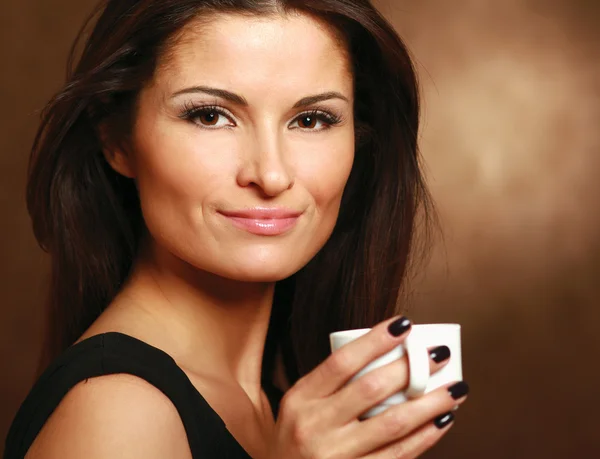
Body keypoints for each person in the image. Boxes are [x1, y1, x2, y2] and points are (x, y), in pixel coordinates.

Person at [4, 0, 470, 457]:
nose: (270, 174)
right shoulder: (117, 413)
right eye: (209, 116)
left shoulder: (271, 400)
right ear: (117, 139)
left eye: (311, 120)